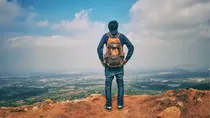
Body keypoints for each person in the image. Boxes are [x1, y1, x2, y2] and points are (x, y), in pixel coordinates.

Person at [97, 20, 134, 110]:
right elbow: (131, 47)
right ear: (117, 27)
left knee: (108, 85)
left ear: (109, 27)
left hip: (109, 65)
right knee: (120, 84)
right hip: (120, 64)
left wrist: (102, 60)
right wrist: (126, 59)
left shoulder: (106, 36)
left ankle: (109, 105)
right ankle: (120, 104)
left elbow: (99, 48)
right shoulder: (121, 36)